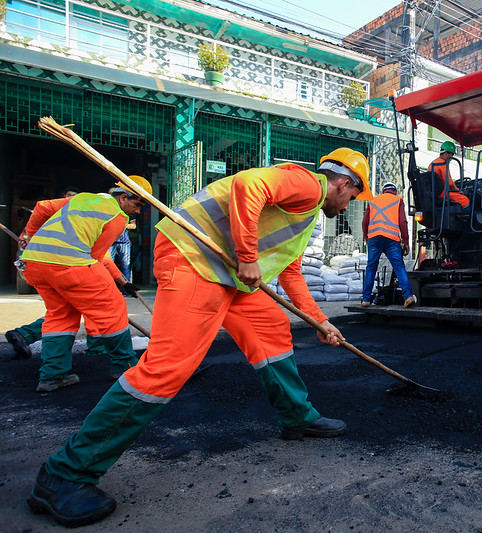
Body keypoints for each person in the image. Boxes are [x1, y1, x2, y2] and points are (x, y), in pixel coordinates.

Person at [27, 148, 372, 528]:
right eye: (353, 197)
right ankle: (65, 474)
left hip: (228, 275)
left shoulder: (304, 215)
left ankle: (297, 417)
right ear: (343, 183)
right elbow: (248, 183)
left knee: (271, 329)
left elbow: (290, 273)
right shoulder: (307, 184)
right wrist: (245, 254)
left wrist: (321, 321)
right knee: (167, 368)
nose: (347, 206)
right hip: (193, 258)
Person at [19, 180, 148, 392]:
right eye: (138, 204)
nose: (138, 210)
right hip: (70, 265)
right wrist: (115, 283)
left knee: (60, 315)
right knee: (113, 308)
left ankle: (52, 376)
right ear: (123, 197)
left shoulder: (83, 198)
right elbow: (97, 258)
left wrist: (30, 235)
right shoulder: (117, 218)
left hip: (34, 262)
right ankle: (125, 366)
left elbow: (42, 207)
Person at [5, 186, 85, 359]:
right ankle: (96, 349)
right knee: (67, 311)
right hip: (59, 267)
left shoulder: (76, 217)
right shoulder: (55, 214)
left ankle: (25, 335)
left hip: (60, 265)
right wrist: (28, 237)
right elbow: (32, 228)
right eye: (68, 197)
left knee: (62, 310)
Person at [361, 182, 415, 308]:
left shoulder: (373, 200)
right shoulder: (398, 200)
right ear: (394, 191)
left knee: (371, 267)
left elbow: (365, 222)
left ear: (383, 191)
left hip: (374, 238)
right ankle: (408, 296)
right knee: (399, 267)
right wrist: (406, 241)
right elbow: (403, 221)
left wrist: (367, 238)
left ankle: (366, 299)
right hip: (391, 239)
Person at [427, 140, 470, 208]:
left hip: (434, 193)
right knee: (465, 200)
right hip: (441, 193)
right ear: (446, 153)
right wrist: (458, 191)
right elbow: (449, 183)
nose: (451, 158)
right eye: (451, 155)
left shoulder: (432, 163)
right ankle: (467, 218)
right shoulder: (442, 164)